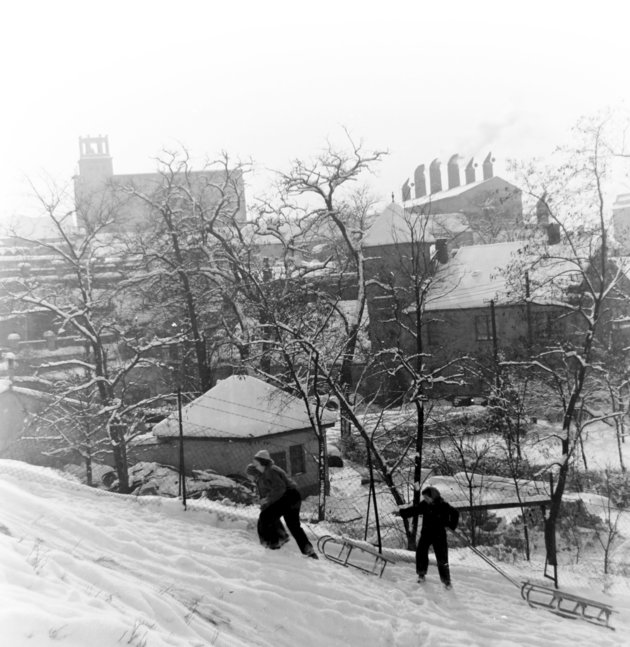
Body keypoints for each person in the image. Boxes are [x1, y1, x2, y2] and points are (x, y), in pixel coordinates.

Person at [250, 449, 318, 559]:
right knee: (293, 526)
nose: (256, 467)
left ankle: (274, 545)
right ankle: (309, 551)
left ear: (263, 463)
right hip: (294, 496)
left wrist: (267, 500)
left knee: (266, 516)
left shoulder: (270, 471)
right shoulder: (271, 470)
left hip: (287, 497)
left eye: (256, 465)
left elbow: (279, 489)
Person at [398, 486, 459, 588]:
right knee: (421, 552)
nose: (425, 500)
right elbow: (415, 510)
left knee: (442, 558)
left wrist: (450, 525)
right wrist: (402, 513)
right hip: (426, 533)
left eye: (427, 497)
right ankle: (421, 574)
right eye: (424, 498)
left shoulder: (443, 505)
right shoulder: (425, 505)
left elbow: (455, 513)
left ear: (433, 496)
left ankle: (446, 581)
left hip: (439, 534)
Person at [245, 463, 290, 549]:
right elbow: (262, 493)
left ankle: (271, 544)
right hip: (269, 505)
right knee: (272, 521)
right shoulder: (259, 481)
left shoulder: (263, 481)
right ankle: (282, 537)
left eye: (248, 475)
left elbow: (275, 491)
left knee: (263, 524)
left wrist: (266, 499)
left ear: (254, 474)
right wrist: (258, 499)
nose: (247, 477)